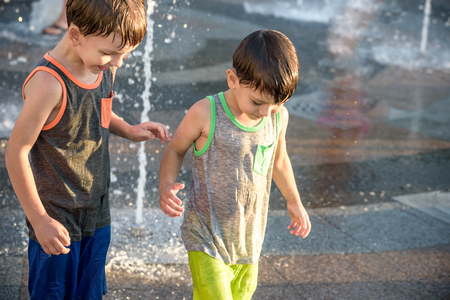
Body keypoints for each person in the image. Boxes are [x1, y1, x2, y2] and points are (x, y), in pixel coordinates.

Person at [5, 0, 170, 299]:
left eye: (125, 54)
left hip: (96, 211)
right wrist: (39, 220)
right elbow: (16, 151)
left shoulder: (102, 67)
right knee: (53, 293)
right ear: (76, 35)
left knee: (89, 292)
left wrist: (129, 130)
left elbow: (101, 113)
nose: (118, 62)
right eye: (110, 53)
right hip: (57, 216)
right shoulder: (48, 84)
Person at [159, 29, 311, 300]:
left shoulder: (278, 118)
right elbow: (175, 148)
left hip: (248, 239)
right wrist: (166, 184)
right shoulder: (206, 112)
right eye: (257, 102)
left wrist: (294, 201)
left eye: (277, 105)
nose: (266, 112)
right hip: (206, 235)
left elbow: (278, 161)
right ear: (233, 79)